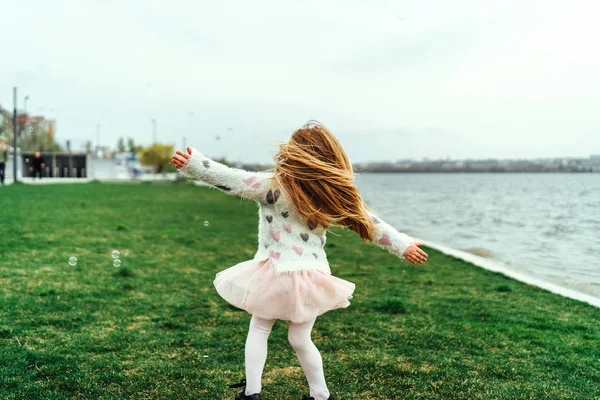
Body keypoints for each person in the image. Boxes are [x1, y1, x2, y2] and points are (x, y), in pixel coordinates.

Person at [171, 121, 429, 400]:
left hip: (277, 272)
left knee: (259, 328)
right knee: (300, 339)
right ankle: (320, 395)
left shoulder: (273, 187)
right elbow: (371, 223)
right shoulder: (331, 194)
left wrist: (194, 163)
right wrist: (403, 245)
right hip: (311, 277)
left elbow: (233, 180)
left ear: (294, 154)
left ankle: (252, 393)